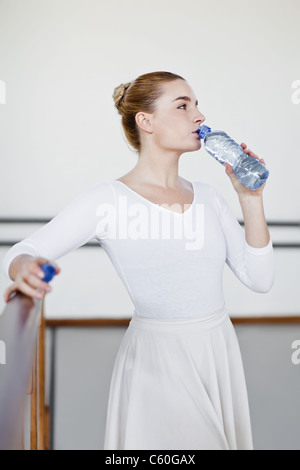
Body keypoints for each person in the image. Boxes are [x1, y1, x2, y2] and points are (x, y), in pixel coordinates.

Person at [2, 71, 275, 450]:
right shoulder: (108, 200)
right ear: (145, 121)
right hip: (157, 360)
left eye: (197, 105)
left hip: (217, 350)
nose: (199, 116)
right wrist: (24, 270)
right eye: (182, 106)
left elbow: (259, 279)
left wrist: (251, 198)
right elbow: (23, 251)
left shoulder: (211, 197)